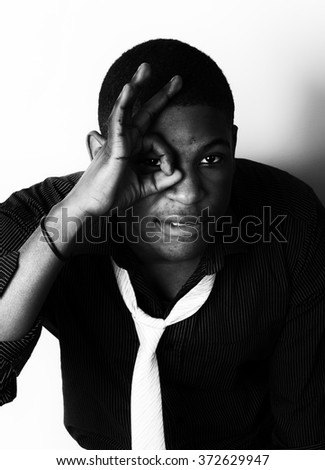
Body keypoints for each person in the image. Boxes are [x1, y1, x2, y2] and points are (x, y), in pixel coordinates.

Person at [1, 38, 325, 450]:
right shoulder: (42, 218)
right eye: (151, 161)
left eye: (211, 159)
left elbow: (306, 428)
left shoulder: (290, 220)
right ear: (101, 155)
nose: (189, 194)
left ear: (233, 144)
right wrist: (75, 217)